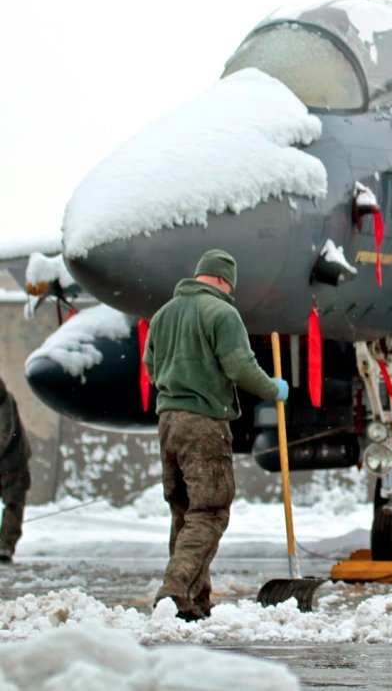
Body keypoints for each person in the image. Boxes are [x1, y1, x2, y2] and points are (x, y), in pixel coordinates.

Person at [143, 249, 289, 620]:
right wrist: (273, 388)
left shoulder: (163, 315)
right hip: (204, 422)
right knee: (209, 512)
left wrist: (174, 385)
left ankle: (194, 602)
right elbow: (239, 365)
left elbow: (149, 364)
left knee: (185, 512)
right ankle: (174, 592)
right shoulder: (222, 313)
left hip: (169, 421)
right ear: (225, 280)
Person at [0, 374, 30, 564]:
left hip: (12, 461)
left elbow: (4, 436)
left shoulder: (4, 405)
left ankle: (5, 545)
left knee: (13, 501)